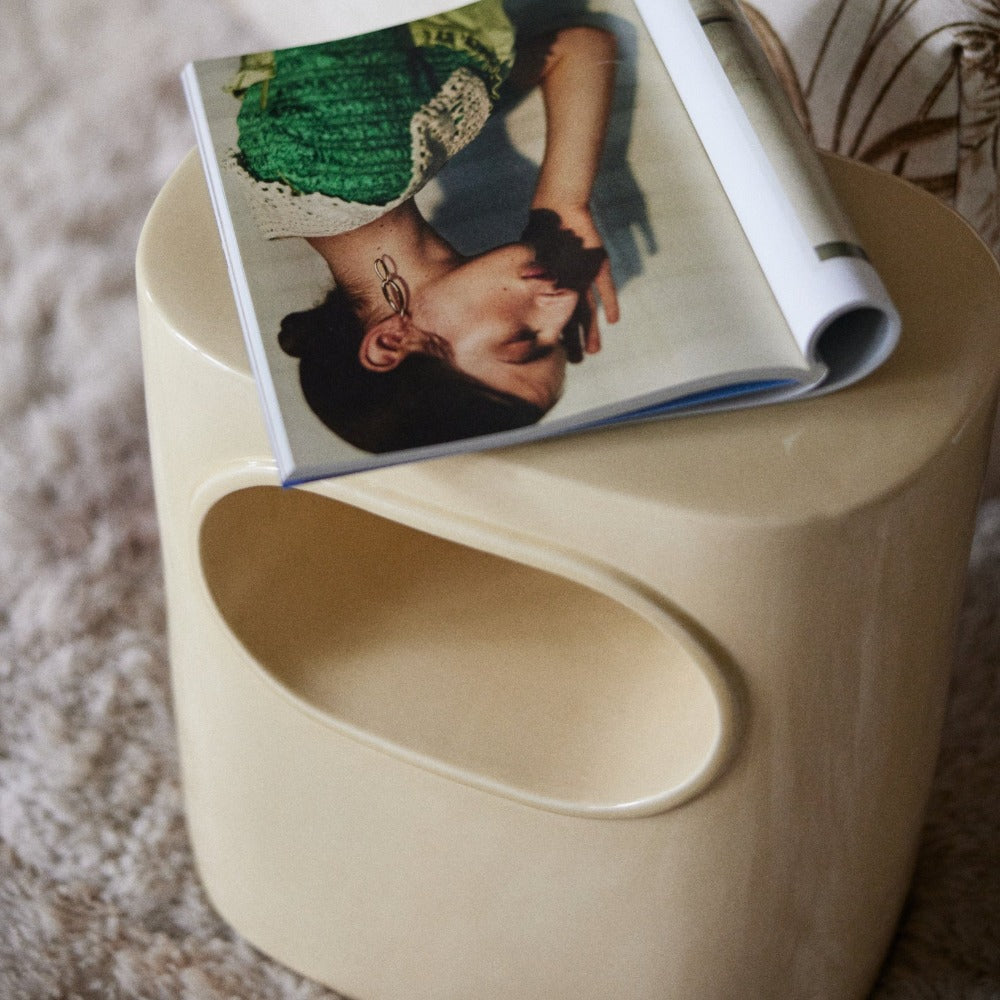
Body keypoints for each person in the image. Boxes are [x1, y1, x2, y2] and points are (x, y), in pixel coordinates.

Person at [227, 0, 619, 453]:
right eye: (555, 336)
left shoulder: (351, 152)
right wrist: (563, 204)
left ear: (393, 342)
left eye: (522, 340)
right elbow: (578, 48)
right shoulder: (342, 187)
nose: (564, 302)